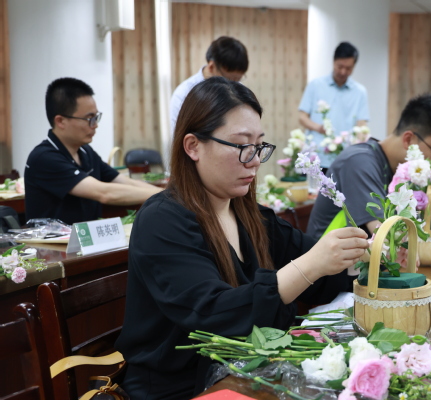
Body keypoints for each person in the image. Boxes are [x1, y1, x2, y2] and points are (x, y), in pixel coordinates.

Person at [115, 77, 368, 399]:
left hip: (246, 371)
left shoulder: (252, 216)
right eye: (242, 146)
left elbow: (321, 275)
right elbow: (212, 313)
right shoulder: (161, 220)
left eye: (259, 146)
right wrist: (309, 265)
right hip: (180, 387)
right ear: (193, 146)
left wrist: (362, 259)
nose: (255, 160)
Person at [307, 93, 431, 239]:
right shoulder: (358, 162)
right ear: (409, 140)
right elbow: (386, 232)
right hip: (331, 265)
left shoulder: (397, 168)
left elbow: (408, 218)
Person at [24, 77, 162, 225]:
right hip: (52, 239)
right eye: (89, 118)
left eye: (96, 117)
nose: (95, 125)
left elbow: (123, 182)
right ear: (60, 121)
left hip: (86, 237)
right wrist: (164, 196)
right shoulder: (44, 158)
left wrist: (167, 194)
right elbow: (105, 193)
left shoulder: (85, 151)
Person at [298, 41, 369, 169]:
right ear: (333, 61)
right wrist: (319, 128)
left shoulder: (360, 92)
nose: (343, 71)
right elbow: (302, 117)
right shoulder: (315, 85)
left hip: (345, 158)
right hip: (317, 157)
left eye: (348, 68)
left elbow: (362, 125)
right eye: (339, 66)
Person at [170, 36, 248, 132]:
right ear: (211, 67)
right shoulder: (185, 93)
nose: (233, 84)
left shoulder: (238, 88)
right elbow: (178, 133)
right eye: (230, 78)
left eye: (237, 79)